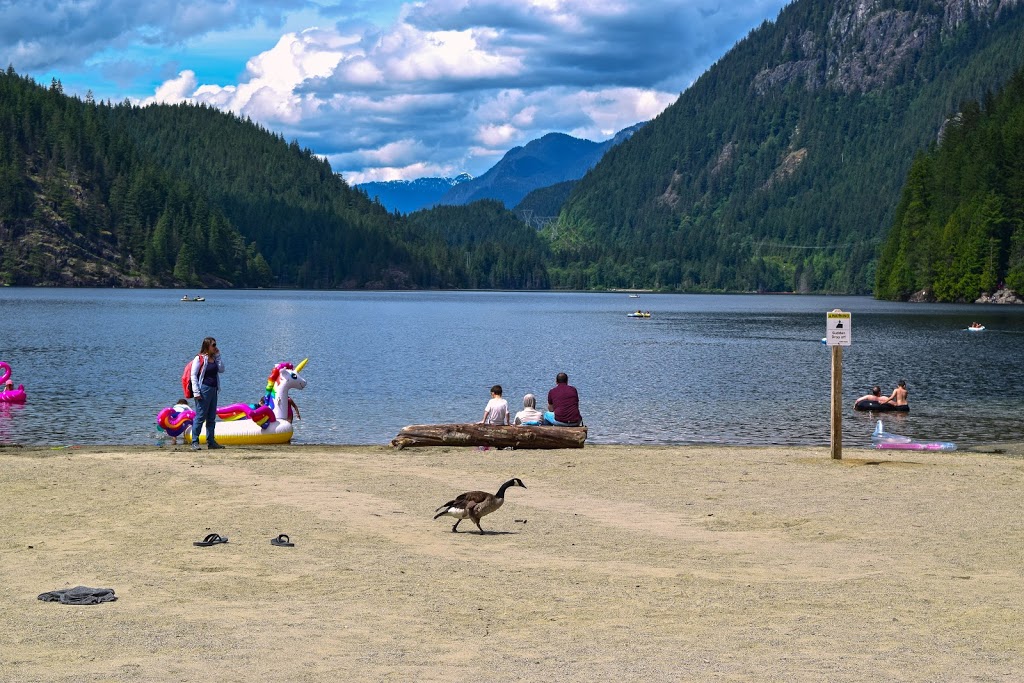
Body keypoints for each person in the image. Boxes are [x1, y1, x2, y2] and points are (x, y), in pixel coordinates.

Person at [190, 336, 226, 450]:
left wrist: (218, 356)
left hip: (214, 389)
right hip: (203, 389)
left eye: (215, 344)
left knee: (211, 417)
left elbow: (221, 369)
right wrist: (196, 392)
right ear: (207, 346)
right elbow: (193, 376)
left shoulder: (214, 358)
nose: (215, 347)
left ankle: (211, 441)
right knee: (200, 416)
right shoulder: (199, 358)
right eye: (213, 345)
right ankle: (195, 442)